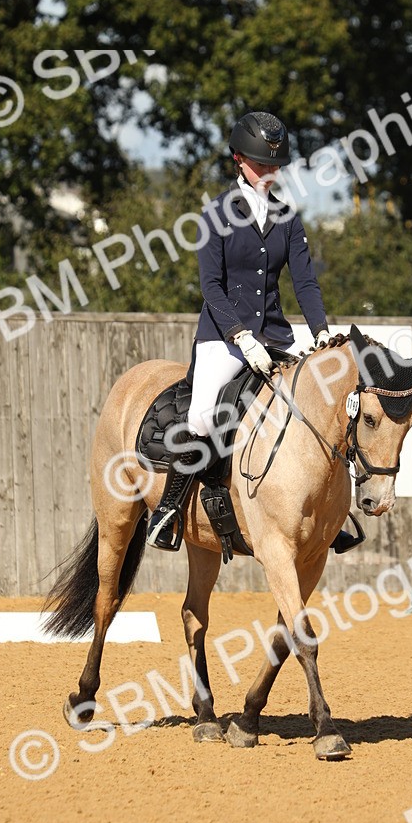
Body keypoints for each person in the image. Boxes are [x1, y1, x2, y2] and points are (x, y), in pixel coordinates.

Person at [147, 110, 332, 550]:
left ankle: (324, 511)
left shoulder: (288, 217)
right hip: (223, 339)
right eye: (261, 163)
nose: (269, 171)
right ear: (239, 159)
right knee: (202, 414)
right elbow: (210, 285)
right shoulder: (216, 214)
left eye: (275, 164)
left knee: (310, 406)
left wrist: (322, 332)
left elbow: (305, 282)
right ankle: (168, 512)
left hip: (275, 337)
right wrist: (240, 336)